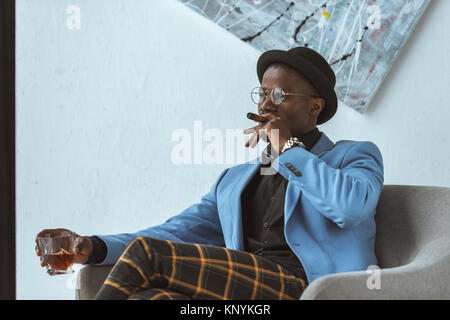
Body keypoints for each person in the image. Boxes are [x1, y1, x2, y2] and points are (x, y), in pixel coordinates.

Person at [35, 47, 384, 300]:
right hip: (244, 298)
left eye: (280, 94)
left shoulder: (354, 156)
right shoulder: (234, 181)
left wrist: (287, 148)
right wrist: (93, 247)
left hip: (307, 287)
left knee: (149, 254)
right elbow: (174, 233)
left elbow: (351, 207)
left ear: (315, 107)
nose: (265, 104)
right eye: (262, 93)